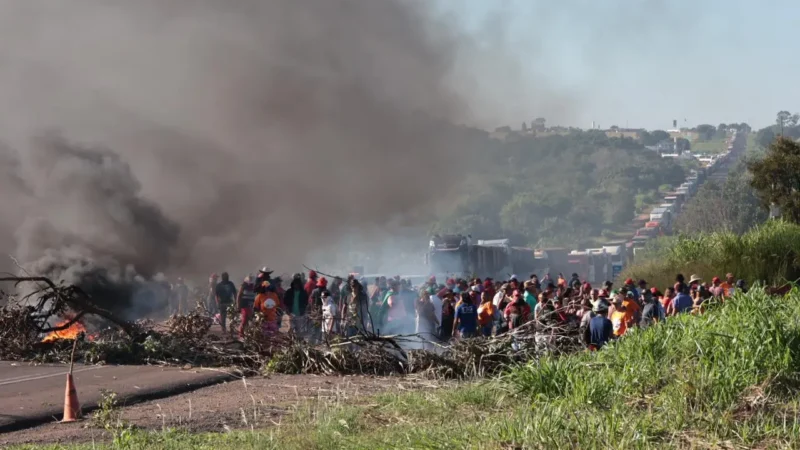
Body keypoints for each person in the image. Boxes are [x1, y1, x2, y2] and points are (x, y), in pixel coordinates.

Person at [236, 275, 257, 339]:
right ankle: (241, 335)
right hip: (244, 305)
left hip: (252, 305)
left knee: (253, 320)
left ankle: (250, 334)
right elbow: (239, 296)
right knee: (245, 320)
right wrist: (238, 306)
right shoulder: (243, 286)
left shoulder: (254, 287)